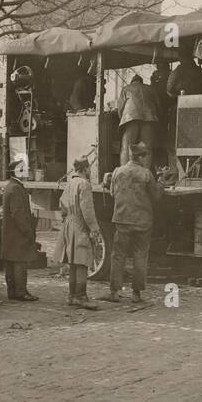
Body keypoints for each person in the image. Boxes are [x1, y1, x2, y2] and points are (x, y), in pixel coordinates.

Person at [101, 142, 162, 304]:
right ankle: (136, 295)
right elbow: (156, 197)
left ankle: (114, 292)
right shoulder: (146, 174)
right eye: (144, 156)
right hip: (142, 221)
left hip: (122, 220)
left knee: (118, 255)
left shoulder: (117, 172)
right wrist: (161, 182)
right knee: (140, 255)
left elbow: (113, 193)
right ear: (140, 157)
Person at [59, 156, 101, 310]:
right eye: (89, 167)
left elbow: (61, 203)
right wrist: (94, 228)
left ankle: (71, 296)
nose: (90, 170)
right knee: (82, 261)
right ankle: (81, 297)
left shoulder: (70, 183)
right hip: (80, 225)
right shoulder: (84, 184)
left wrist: (67, 219)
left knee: (73, 262)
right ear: (84, 169)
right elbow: (87, 210)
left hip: (69, 224)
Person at [0, 160, 40, 301]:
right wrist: (28, 231)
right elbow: (18, 213)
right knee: (20, 262)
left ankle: (12, 292)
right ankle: (21, 292)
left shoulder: (10, 186)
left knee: (11, 262)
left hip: (10, 233)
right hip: (17, 233)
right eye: (23, 169)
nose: (26, 171)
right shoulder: (16, 188)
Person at [117, 73, 159, 166]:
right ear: (141, 82)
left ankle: (124, 172)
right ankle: (145, 173)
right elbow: (158, 105)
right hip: (149, 119)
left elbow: (120, 108)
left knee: (126, 147)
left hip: (130, 119)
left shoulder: (126, 89)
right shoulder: (150, 89)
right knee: (147, 148)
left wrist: (121, 119)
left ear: (132, 82)